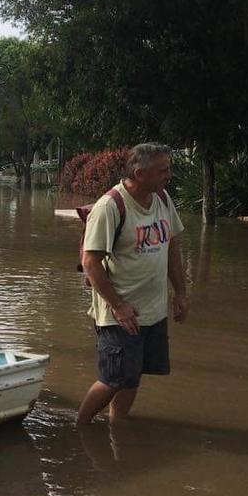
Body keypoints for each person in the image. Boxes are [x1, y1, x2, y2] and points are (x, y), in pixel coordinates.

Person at [76, 143, 188, 426]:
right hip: (119, 314)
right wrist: (119, 306)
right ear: (140, 173)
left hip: (152, 310)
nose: (168, 175)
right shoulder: (111, 206)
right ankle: (80, 428)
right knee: (113, 379)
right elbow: (91, 263)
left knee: (132, 375)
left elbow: (171, 246)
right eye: (163, 170)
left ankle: (118, 428)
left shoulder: (162, 198)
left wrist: (181, 292)